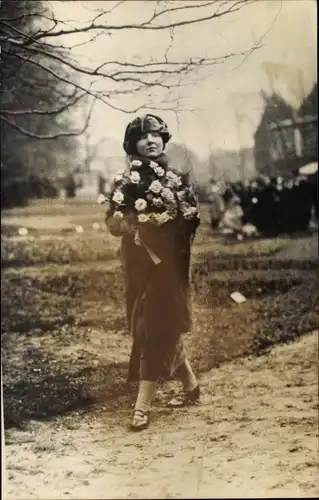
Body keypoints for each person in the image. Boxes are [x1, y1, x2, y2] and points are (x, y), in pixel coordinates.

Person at [105, 114, 200, 432]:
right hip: (139, 265)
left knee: (151, 330)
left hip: (169, 267)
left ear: (163, 140)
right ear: (133, 145)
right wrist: (133, 223)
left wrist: (168, 222)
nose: (150, 141)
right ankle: (190, 385)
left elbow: (190, 220)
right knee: (159, 328)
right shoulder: (125, 182)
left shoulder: (177, 179)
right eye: (143, 137)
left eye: (156, 135)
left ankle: (142, 405)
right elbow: (113, 224)